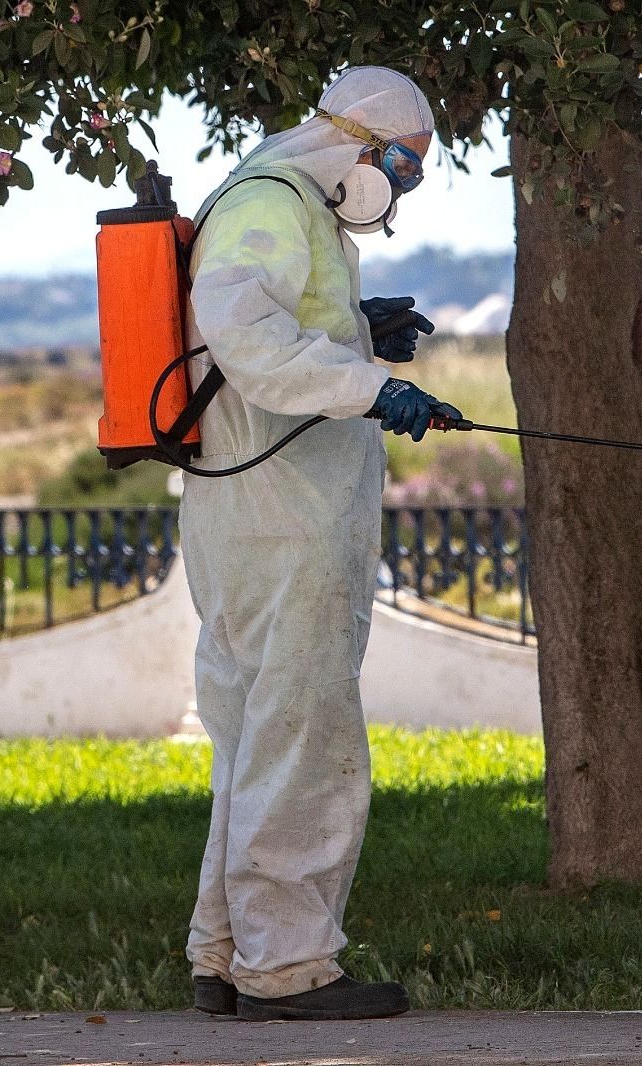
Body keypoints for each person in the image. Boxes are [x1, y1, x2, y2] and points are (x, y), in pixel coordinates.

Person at [177, 66, 460, 1022]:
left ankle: (227, 954)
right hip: (282, 517)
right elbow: (247, 339)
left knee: (259, 736)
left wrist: (356, 329)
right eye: (402, 166)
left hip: (260, 514)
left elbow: (259, 325)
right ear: (357, 140)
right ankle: (289, 968)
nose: (402, 187)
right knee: (303, 734)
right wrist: (372, 386)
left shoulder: (287, 202)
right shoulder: (272, 199)